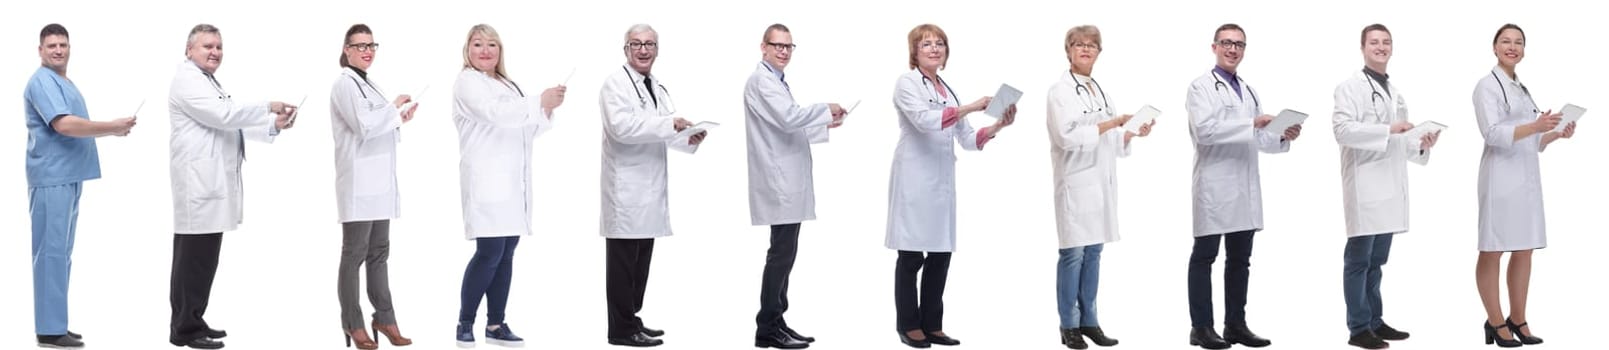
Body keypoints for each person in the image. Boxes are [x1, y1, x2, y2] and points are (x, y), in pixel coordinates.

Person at [167, 23, 298, 350]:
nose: (214, 52)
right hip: (197, 185)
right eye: (207, 46)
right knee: (193, 259)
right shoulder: (187, 80)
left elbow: (230, 124)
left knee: (205, 258)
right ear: (189, 50)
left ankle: (194, 319)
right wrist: (268, 106)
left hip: (210, 184)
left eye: (218, 47)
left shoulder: (208, 81)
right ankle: (183, 329)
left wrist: (273, 125)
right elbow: (225, 117)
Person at [887, 23, 1016, 349]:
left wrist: (999, 123)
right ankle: (908, 325)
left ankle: (933, 324)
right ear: (914, 52)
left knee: (941, 255)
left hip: (941, 183)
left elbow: (968, 139)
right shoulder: (907, 83)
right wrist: (972, 106)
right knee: (912, 256)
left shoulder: (947, 89)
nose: (934, 48)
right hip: (915, 180)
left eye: (940, 43)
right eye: (926, 44)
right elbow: (924, 120)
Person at [1183, 23, 1299, 350]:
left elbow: (1260, 139)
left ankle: (1235, 325)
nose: (1233, 49)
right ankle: (1201, 328)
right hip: (1215, 186)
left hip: (1244, 187)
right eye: (1227, 43)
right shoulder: (1201, 87)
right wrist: (1252, 123)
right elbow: (1205, 132)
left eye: (1239, 44)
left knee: (1240, 259)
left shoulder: (1248, 90)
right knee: (1205, 256)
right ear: (1214, 47)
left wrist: (1280, 134)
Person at [451, 23, 566, 349]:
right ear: (467, 50)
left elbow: (523, 126)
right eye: (477, 44)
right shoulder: (466, 82)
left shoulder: (506, 83)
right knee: (488, 253)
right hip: (486, 181)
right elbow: (495, 114)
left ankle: (496, 324)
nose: (485, 50)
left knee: (506, 254)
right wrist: (536, 101)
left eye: (492, 45)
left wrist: (544, 108)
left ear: (500, 52)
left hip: (513, 184)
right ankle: (465, 322)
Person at [25, 23, 137, 350]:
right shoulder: (41, 82)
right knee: (50, 253)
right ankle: (48, 330)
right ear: (40, 50)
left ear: (69, 48)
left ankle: (56, 323)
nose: (58, 50)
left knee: (60, 254)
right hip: (52, 177)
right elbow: (65, 124)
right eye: (51, 45)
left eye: (63, 44)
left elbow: (78, 127)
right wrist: (111, 126)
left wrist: (114, 131)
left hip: (69, 175)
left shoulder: (61, 81)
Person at [1329, 23, 1439, 350]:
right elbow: (1343, 130)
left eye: (1386, 42)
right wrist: (1389, 128)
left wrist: (1422, 142)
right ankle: (1358, 328)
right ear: (1362, 47)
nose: (1381, 47)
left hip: (1389, 189)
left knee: (1377, 262)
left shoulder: (1396, 92)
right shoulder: (1349, 87)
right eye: (1374, 42)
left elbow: (1402, 143)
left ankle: (1375, 321)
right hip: (1364, 187)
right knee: (1359, 261)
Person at [598, 23, 706, 348]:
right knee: (622, 263)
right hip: (626, 190)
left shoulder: (654, 85)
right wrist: (667, 124)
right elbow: (621, 127)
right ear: (626, 49)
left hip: (649, 189)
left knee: (641, 261)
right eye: (636, 44)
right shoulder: (614, 84)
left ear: (657, 50)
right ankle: (620, 330)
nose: (643, 50)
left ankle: (631, 318)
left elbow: (660, 129)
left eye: (649, 44)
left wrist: (688, 136)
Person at [1044, 24, 1151, 350]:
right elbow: (1068, 136)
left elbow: (1110, 141)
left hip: (1100, 186)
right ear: (1068, 51)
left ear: (1099, 52)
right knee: (1073, 255)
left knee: (1094, 253)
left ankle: (1090, 321)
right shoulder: (1059, 91)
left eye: (1091, 45)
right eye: (1078, 45)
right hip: (1076, 185)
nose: (1085, 49)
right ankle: (1069, 325)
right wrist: (1116, 122)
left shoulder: (1100, 91)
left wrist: (1131, 132)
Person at [743, 23, 848, 350]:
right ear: (763, 47)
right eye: (777, 46)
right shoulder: (762, 81)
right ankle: (767, 328)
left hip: (787, 180)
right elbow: (790, 118)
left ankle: (777, 321)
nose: (783, 51)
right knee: (781, 255)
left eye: (788, 46)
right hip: (778, 181)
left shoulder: (776, 81)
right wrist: (824, 109)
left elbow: (788, 124)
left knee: (785, 254)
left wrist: (824, 122)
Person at [1472, 23, 1573, 348]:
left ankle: (1519, 318)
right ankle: (1495, 321)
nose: (1512, 47)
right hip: (1500, 178)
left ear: (1524, 50)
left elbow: (1532, 140)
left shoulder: (1521, 89)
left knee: (1524, 247)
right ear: (1495, 47)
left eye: (1518, 42)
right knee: (1494, 248)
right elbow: (1493, 134)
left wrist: (1554, 132)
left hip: (1525, 178)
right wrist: (1534, 125)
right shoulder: (1486, 86)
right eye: (1506, 41)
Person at [329, 23, 417, 349]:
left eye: (371, 45)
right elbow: (364, 126)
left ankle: (385, 317)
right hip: (358, 185)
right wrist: (394, 110)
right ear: (346, 50)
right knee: (354, 254)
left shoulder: (369, 85)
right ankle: (352, 323)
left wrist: (397, 116)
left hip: (379, 185)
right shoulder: (344, 85)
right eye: (360, 45)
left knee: (379, 253)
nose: (367, 50)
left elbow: (379, 123)